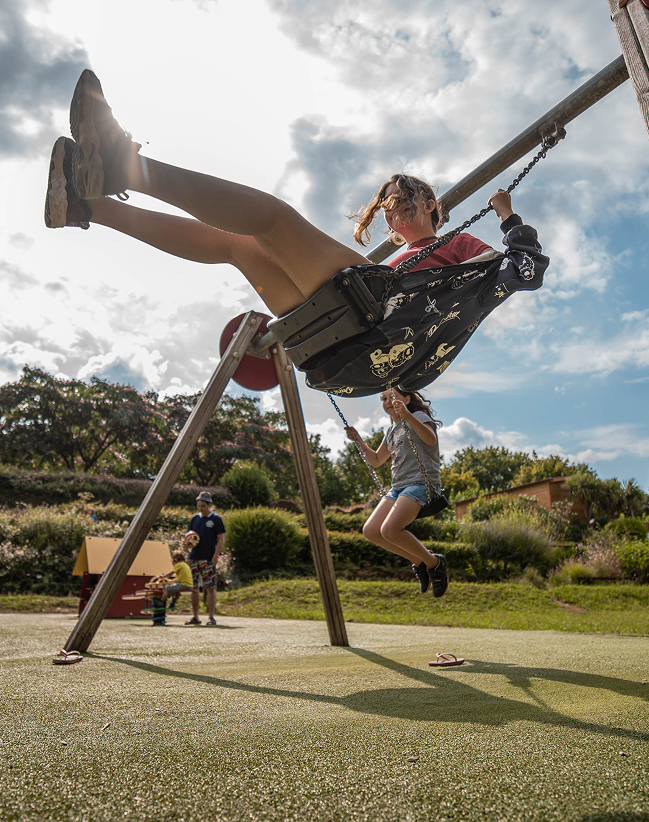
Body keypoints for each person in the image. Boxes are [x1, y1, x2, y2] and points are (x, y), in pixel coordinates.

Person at [45, 70, 549, 396]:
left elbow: (523, 271)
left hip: (373, 328)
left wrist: (507, 217)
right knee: (236, 244)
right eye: (389, 206)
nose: (397, 210)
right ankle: (87, 207)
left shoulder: (454, 246)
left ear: (433, 205)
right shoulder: (395, 264)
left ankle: (120, 168)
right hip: (340, 351)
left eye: (406, 198)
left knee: (274, 221)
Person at [345, 387, 448, 597]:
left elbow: (430, 440)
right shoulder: (391, 430)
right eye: (383, 399)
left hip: (421, 483)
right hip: (398, 487)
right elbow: (376, 460)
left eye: (392, 397)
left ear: (407, 399)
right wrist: (358, 440)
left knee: (390, 530)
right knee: (371, 531)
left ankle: (435, 564)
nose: (387, 401)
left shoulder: (417, 416)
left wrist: (407, 416)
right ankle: (419, 560)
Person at [186, 492, 225, 626]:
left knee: (210, 588)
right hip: (193, 558)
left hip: (208, 559)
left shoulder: (216, 519)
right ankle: (195, 617)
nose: (200, 508)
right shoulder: (194, 519)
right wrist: (186, 544)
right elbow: (189, 537)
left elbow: (221, 539)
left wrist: (215, 557)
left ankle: (211, 617)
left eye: (202, 505)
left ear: (209, 505)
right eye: (198, 505)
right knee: (194, 588)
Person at [148, 547, 196, 626]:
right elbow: (178, 579)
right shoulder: (185, 565)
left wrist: (162, 577)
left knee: (167, 589)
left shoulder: (179, 565)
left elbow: (170, 574)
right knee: (175, 590)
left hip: (183, 585)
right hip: (189, 585)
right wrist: (170, 581)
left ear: (175, 560)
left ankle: (161, 602)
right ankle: (173, 602)